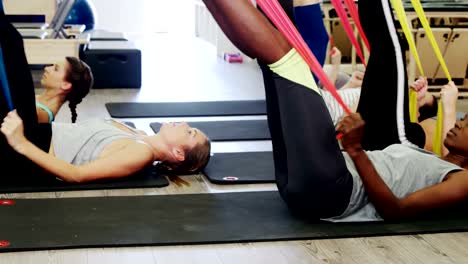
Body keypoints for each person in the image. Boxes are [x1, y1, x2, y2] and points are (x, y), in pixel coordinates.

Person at [202, 0, 467, 221]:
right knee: (276, 46)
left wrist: (355, 150)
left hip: (333, 188)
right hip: (311, 185)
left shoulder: (464, 181)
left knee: (288, 61)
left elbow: (396, 210)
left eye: (467, 122)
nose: (460, 122)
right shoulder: (440, 161)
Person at [0, 15, 211, 183]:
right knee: (9, 38)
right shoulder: (139, 135)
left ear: (178, 153)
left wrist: (21, 143)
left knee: (9, 39)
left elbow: (76, 175)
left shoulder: (141, 153)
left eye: (190, 132)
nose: (184, 124)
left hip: (26, 151)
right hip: (32, 134)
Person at [36, 57, 94, 124]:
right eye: (52, 65)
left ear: (65, 85)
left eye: (56, 69)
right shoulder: (40, 104)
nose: (46, 68)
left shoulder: (41, 114)